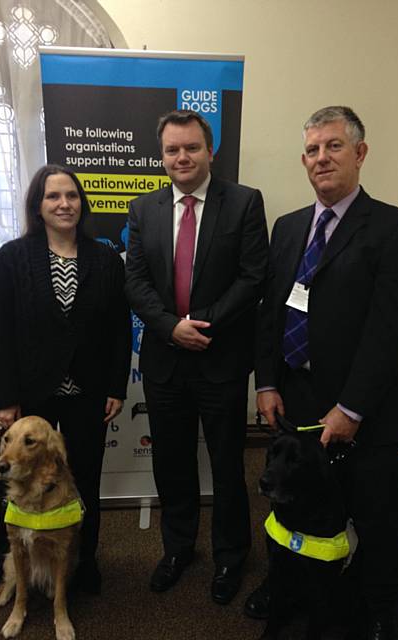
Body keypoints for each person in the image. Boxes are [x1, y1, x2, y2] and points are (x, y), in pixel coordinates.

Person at [246, 106, 398, 640]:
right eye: (311, 149)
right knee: (296, 509)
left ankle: (376, 610)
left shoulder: (396, 228)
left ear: (360, 153)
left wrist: (350, 408)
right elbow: (271, 310)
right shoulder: (288, 227)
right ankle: (291, 588)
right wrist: (268, 381)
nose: (320, 158)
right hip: (297, 401)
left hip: (366, 410)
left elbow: (390, 329)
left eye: (333, 146)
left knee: (369, 517)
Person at [125, 110, 269, 604]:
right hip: (166, 360)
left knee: (228, 463)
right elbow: (136, 282)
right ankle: (178, 548)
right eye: (171, 150)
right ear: (161, 155)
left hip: (220, 358)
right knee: (172, 461)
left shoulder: (245, 203)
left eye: (190, 148)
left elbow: (253, 277)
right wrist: (170, 327)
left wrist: (199, 323)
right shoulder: (143, 210)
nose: (181, 157)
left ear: (210, 151)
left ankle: (231, 556)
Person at [0, 164, 132, 612]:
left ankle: (84, 564)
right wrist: (5, 399)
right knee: (13, 479)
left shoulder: (104, 259)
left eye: (72, 196)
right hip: (30, 393)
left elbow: (120, 329)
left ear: (82, 203)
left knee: (83, 478)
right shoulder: (12, 257)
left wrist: (115, 385)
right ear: (38, 207)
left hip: (88, 391)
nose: (64, 204)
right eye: (52, 197)